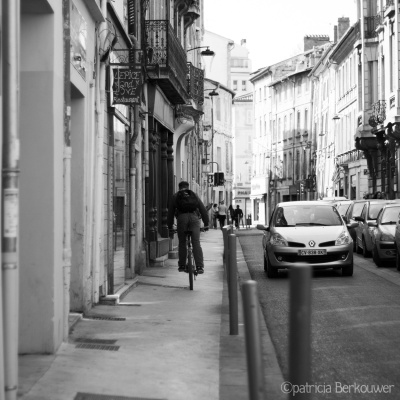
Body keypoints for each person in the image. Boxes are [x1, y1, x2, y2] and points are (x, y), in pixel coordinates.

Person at [167, 181, 209, 274]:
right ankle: (199, 266)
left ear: (179, 188)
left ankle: (182, 265)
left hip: (182, 219)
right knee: (196, 242)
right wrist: (206, 223)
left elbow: (170, 213)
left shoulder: (175, 196)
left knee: (182, 242)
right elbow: (203, 209)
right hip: (194, 219)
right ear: (188, 187)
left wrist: (170, 226)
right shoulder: (193, 195)